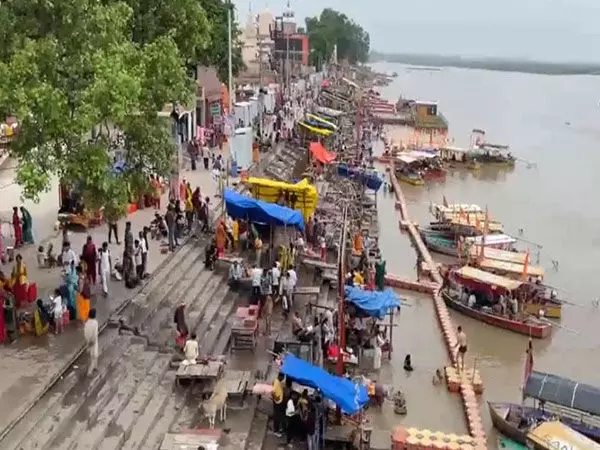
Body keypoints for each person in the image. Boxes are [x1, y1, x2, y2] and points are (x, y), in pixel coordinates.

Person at [84, 308, 99, 375]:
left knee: (91, 355)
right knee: (94, 356)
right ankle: (89, 372)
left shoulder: (86, 323)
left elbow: (85, 333)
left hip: (88, 340)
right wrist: (92, 342)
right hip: (93, 341)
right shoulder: (95, 323)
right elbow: (95, 334)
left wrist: (88, 343)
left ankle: (95, 367)